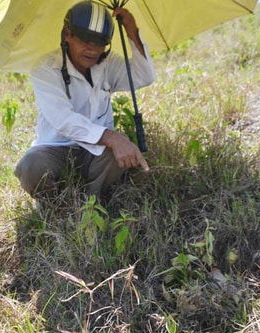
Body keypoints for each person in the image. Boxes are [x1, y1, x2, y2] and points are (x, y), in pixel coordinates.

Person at [14, 1, 156, 204]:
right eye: (84, 38)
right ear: (67, 34)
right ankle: (55, 205)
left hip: (96, 152)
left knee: (116, 158)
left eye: (100, 41)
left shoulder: (108, 64)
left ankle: (90, 203)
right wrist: (113, 138)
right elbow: (64, 120)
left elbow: (145, 77)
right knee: (31, 167)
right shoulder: (45, 69)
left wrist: (132, 31)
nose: (92, 48)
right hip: (56, 148)